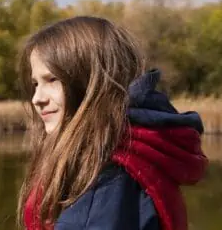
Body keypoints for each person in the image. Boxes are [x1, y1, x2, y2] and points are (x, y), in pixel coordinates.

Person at [16, 16, 208, 230]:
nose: (37, 98)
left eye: (52, 80)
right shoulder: (135, 153)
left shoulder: (107, 180)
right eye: (35, 84)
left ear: (91, 81)